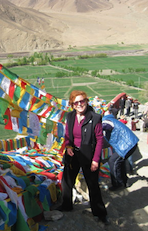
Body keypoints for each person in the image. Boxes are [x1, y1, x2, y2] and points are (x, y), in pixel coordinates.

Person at [58, 90, 108, 225]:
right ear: (72, 105)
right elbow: (68, 134)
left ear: (86, 101)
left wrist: (96, 160)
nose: (79, 104)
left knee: (93, 185)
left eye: (82, 101)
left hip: (89, 155)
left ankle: (100, 213)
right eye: (76, 102)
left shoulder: (95, 117)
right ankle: (66, 205)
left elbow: (99, 140)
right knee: (67, 181)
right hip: (73, 154)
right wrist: (68, 146)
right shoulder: (70, 116)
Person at [102, 112, 139, 190]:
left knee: (113, 161)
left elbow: (106, 126)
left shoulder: (106, 120)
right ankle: (124, 181)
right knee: (120, 163)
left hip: (126, 145)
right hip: (130, 144)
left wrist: (94, 128)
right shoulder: (112, 120)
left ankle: (117, 184)